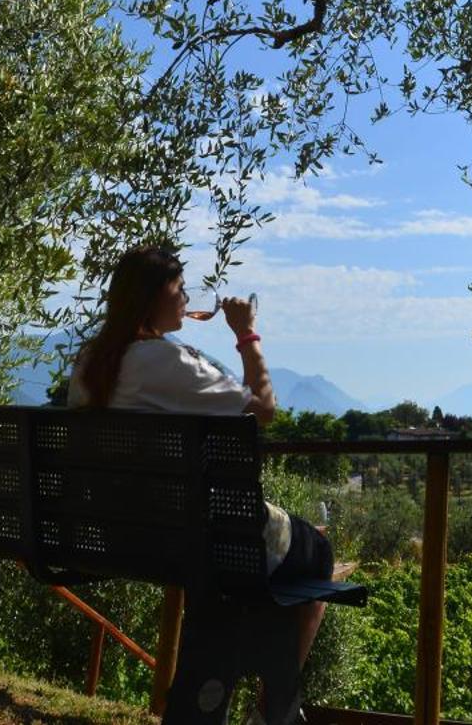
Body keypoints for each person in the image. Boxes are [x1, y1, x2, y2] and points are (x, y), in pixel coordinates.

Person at [68, 243, 332, 676]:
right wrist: (246, 333)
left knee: (283, 555)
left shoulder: (90, 361)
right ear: (154, 298)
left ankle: (230, 685)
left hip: (116, 531)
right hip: (193, 536)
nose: (188, 300)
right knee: (316, 554)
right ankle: (273, 710)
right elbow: (264, 409)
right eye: (181, 290)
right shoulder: (166, 361)